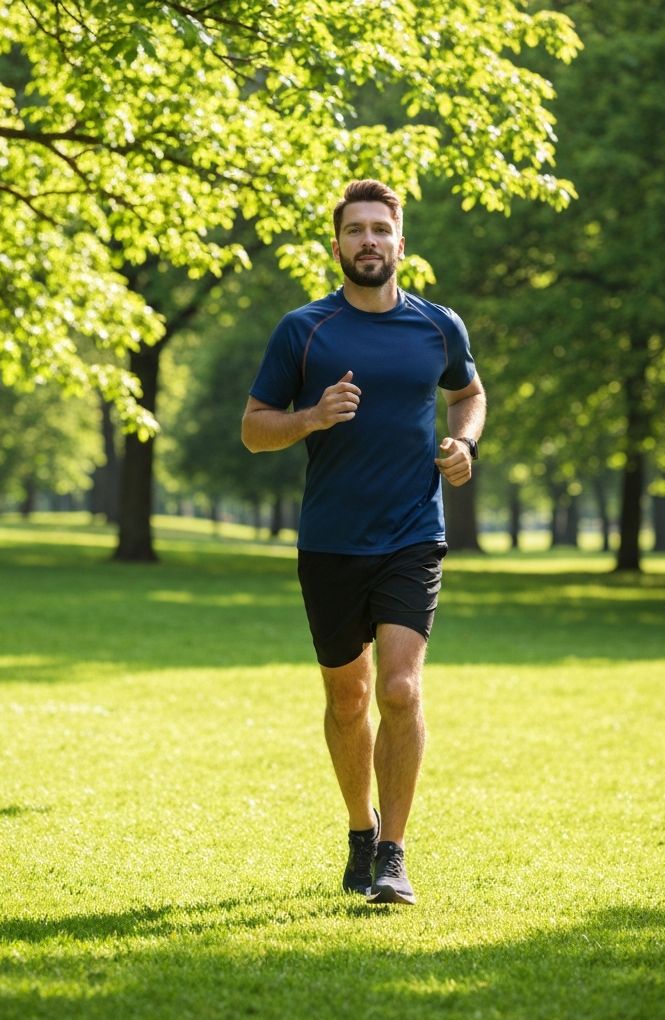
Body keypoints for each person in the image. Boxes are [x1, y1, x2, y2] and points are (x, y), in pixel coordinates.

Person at [241, 179, 485, 905]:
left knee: (401, 689)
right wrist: (311, 417)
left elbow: (467, 392)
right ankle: (359, 828)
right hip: (330, 542)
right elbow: (255, 429)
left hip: (413, 532)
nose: (370, 241)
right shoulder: (304, 330)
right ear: (339, 243)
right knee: (349, 698)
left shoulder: (439, 327)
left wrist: (465, 444)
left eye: (382, 229)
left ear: (400, 243)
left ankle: (393, 854)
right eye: (357, 230)